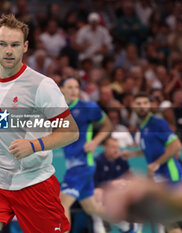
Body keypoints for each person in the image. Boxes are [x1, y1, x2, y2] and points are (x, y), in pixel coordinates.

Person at [0, 14, 79, 233]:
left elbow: (70, 132)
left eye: (15, 45)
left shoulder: (43, 86)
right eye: (3, 44)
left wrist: (34, 145)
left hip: (33, 180)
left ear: (25, 46)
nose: (9, 50)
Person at [121, 92, 182, 233]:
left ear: (150, 105)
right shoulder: (143, 126)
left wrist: (156, 163)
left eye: (145, 103)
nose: (142, 106)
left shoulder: (157, 123)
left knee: (166, 218)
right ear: (133, 106)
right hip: (160, 178)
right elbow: (151, 149)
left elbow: (176, 145)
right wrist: (132, 153)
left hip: (171, 176)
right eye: (139, 104)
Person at [59, 77, 113, 233]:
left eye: (76, 87)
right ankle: (127, 225)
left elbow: (108, 125)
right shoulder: (57, 110)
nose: (73, 90)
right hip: (73, 166)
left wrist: (96, 141)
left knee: (62, 204)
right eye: (69, 87)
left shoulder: (88, 107)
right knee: (92, 207)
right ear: (61, 89)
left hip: (82, 164)